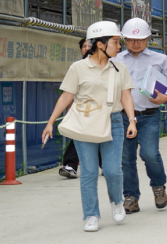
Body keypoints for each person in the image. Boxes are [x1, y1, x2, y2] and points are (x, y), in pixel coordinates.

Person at [42, 21, 137, 232]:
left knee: (113, 170)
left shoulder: (120, 68)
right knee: (89, 172)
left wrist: (131, 120)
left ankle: (116, 202)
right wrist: (51, 122)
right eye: (115, 42)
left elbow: (127, 97)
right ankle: (91, 214)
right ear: (100, 44)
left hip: (113, 121)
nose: (119, 46)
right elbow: (67, 96)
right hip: (85, 122)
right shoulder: (78, 67)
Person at [112, 18, 167, 214]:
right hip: (123, 116)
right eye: (132, 40)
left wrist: (166, 96)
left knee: (150, 154)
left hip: (149, 115)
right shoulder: (116, 60)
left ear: (149, 38)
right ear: (124, 39)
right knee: (126, 158)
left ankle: (159, 187)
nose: (136, 43)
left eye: (140, 39)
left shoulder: (160, 59)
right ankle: (131, 197)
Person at [59, 38, 96, 179]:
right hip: (82, 110)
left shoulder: (106, 65)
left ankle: (106, 164)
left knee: (99, 137)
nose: (87, 48)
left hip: (101, 110)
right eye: (84, 46)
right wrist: (70, 109)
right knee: (79, 136)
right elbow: (69, 92)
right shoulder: (77, 66)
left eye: (89, 46)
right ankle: (70, 165)